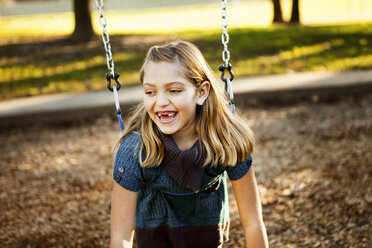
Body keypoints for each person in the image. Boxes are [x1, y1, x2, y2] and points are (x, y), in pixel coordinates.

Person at [110, 40, 269, 248]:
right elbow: (121, 236)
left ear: (201, 92)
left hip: (205, 236)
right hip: (154, 238)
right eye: (150, 92)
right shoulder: (134, 151)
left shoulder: (227, 141)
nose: (160, 102)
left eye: (174, 90)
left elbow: (253, 223)